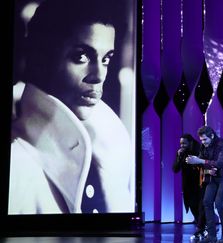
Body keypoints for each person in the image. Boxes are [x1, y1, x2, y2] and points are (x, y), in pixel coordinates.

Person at [9, 0, 134, 214]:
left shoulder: (117, 144)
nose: (99, 76)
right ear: (43, 57)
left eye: (106, 59)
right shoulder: (17, 165)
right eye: (81, 56)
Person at [186, 126, 223, 243]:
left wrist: (199, 161)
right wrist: (193, 161)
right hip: (212, 176)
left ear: (211, 136)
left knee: (219, 203)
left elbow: (219, 163)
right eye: (201, 140)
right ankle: (211, 236)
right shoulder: (204, 146)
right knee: (207, 201)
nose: (203, 142)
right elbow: (201, 165)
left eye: (205, 140)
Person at [172, 134, 208, 240]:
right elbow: (175, 169)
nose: (182, 145)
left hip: (201, 183)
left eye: (184, 143)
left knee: (201, 207)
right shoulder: (181, 153)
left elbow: (204, 164)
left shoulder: (199, 150)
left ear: (190, 142)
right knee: (192, 207)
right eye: (181, 143)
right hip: (188, 185)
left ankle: (200, 228)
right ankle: (202, 228)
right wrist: (179, 157)